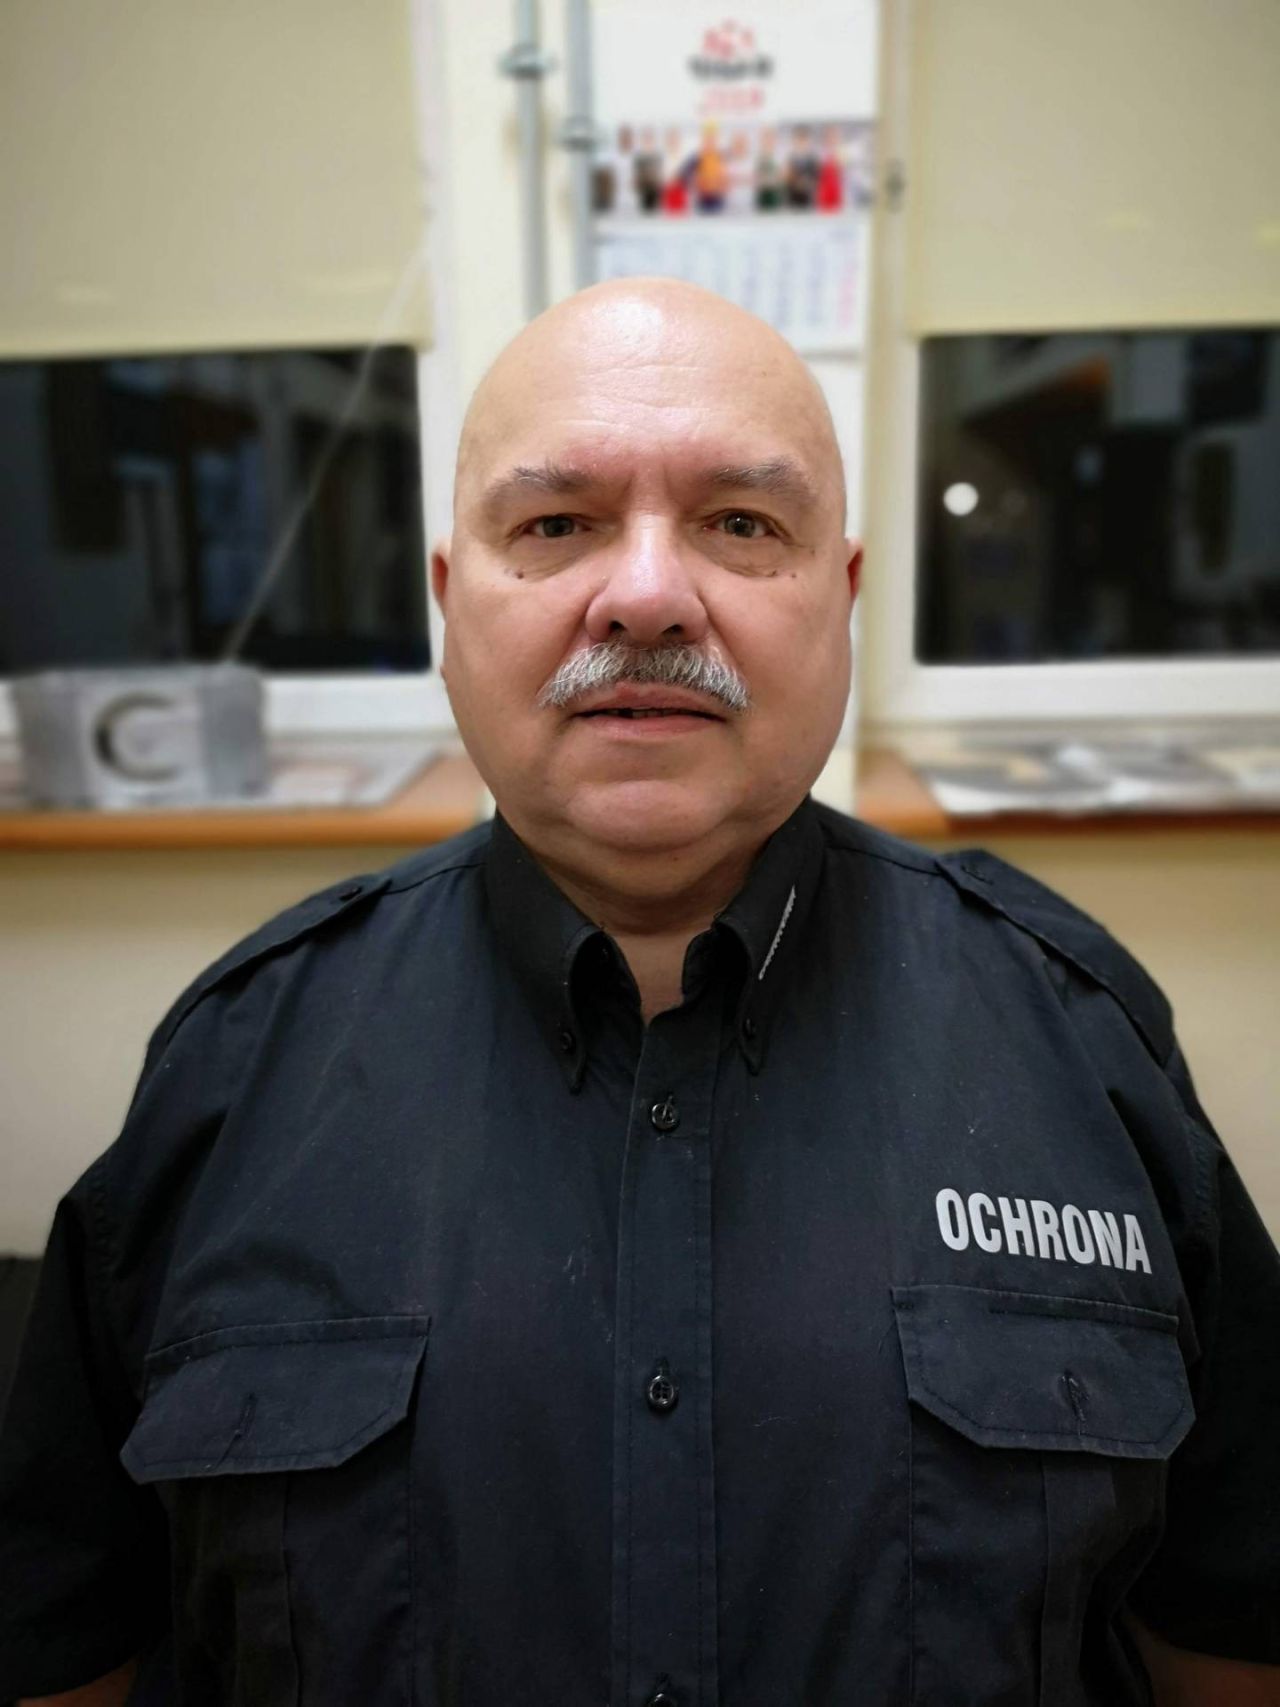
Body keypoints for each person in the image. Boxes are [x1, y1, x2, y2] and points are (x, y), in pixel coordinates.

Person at [1, 280, 1278, 1707]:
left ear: (844, 597)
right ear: (450, 605)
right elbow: (68, 1641)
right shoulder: (233, 1067)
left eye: (742, 523)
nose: (652, 594)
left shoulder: (1079, 1034)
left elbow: (1230, 1631)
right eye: (557, 525)